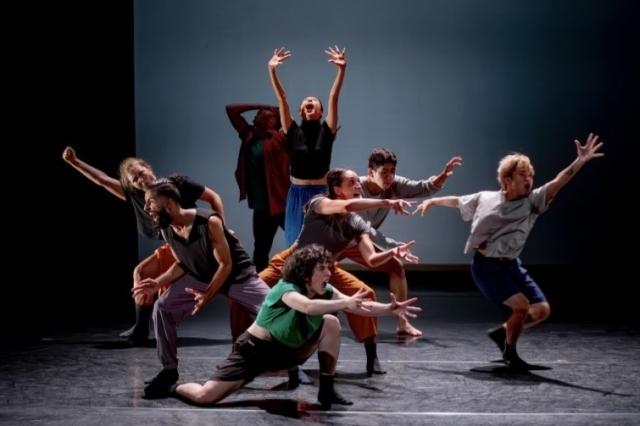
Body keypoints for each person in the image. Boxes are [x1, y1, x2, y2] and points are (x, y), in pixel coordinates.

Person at [143, 243, 422, 410]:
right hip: (255, 352)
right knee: (205, 397)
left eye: (329, 269)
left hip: (292, 351)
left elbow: (357, 306)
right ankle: (173, 388)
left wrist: (389, 309)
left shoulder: (325, 291)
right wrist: (343, 303)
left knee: (331, 323)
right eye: (323, 269)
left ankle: (327, 389)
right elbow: (308, 307)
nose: (329, 273)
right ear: (306, 271)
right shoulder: (284, 289)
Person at [412, 133, 604, 371]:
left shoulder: (533, 201)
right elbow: (459, 201)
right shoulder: (486, 198)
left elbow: (559, 181)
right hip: (487, 267)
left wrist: (580, 161)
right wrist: (433, 201)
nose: (529, 178)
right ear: (507, 179)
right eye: (523, 174)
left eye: (531, 174)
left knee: (542, 310)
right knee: (521, 307)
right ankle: (510, 353)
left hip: (512, 265)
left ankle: (502, 334)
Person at [259, 167, 418, 377]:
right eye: (351, 183)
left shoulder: (356, 223)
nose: (358, 185)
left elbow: (370, 258)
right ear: (337, 189)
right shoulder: (320, 203)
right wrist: (387, 202)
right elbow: (348, 205)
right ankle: (244, 351)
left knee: (365, 293)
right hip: (293, 263)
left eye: (357, 182)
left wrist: (393, 252)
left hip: (326, 269)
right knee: (252, 288)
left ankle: (372, 358)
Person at [62, 146, 225, 346]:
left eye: (141, 173)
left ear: (148, 168)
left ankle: (162, 328)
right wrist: (74, 162)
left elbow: (213, 198)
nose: (141, 180)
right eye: (135, 180)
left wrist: (221, 229)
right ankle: (141, 328)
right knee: (141, 273)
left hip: (195, 243)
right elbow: (103, 180)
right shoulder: (137, 196)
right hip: (174, 245)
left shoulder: (177, 183)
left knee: (167, 290)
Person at [133, 179, 272, 393]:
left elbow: (226, 264)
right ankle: (169, 370)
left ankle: (291, 366)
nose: (146, 207)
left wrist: (207, 294)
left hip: (237, 275)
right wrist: (158, 282)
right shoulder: (167, 229)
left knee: (276, 313)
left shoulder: (209, 222)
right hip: (202, 275)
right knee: (162, 308)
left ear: (169, 203)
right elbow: (183, 261)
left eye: (150, 201)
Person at [338, 148, 462, 336]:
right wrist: (394, 247)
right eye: (384, 172)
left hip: (360, 242)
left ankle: (402, 323)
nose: (389, 177)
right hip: (337, 240)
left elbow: (424, 187)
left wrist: (443, 176)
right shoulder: (357, 188)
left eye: (392, 172)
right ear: (371, 172)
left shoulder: (393, 186)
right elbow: (363, 228)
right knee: (316, 273)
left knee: (396, 268)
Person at [267, 46, 346, 248]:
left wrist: (341, 70)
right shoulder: (293, 131)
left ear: (320, 112)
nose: (309, 101)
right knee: (295, 245)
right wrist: (272, 70)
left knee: (321, 246)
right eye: (305, 101)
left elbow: (333, 97)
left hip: (321, 193)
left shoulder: (326, 131)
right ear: (301, 112)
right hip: (297, 193)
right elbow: (282, 98)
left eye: (313, 101)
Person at [224, 103, 290, 272]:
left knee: (303, 243)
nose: (256, 114)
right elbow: (231, 110)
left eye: (261, 112)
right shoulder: (249, 135)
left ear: (273, 119)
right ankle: (260, 290)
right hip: (261, 208)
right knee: (260, 251)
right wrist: (261, 105)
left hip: (284, 204)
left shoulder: (281, 138)